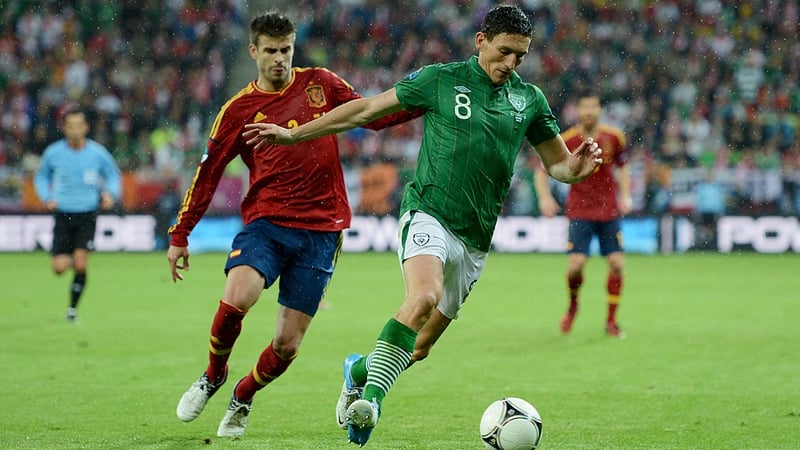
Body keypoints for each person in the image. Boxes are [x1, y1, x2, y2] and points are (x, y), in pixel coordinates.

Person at [243, 5, 603, 446]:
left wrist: (577, 169)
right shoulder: (440, 80)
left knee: (419, 346)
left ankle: (358, 370)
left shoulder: (528, 100)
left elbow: (558, 166)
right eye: (505, 52)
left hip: (475, 240)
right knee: (423, 297)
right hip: (428, 212)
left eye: (520, 57)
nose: (510, 64)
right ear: (481, 42)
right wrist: (294, 133)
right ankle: (369, 405)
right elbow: (366, 111)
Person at [167, 11, 419, 439]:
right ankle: (213, 375)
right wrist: (180, 234)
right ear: (253, 52)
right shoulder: (238, 110)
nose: (280, 58)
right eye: (270, 51)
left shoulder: (320, 82)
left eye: (286, 50)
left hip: (322, 231)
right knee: (238, 297)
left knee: (287, 346)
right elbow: (208, 174)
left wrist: (417, 100)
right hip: (267, 221)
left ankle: (242, 396)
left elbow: (368, 114)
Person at [538, 91, 631, 338]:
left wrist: (626, 196)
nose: (588, 111)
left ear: (600, 110)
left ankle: (611, 321)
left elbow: (622, 167)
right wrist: (545, 198)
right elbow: (541, 169)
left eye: (593, 106)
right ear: (577, 111)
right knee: (576, 266)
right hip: (580, 209)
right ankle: (573, 305)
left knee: (616, 263)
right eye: (584, 106)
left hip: (609, 209)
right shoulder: (566, 140)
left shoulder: (614, 137)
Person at [34, 107, 121, 322]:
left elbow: (113, 175)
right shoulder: (53, 153)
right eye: (70, 126)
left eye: (78, 126)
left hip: (87, 213)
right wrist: (47, 197)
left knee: (81, 265)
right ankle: (76, 255)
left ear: (86, 128)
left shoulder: (98, 153)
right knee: (59, 268)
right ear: (64, 128)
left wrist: (110, 194)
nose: (74, 130)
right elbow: (41, 177)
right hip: (63, 213)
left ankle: (72, 310)